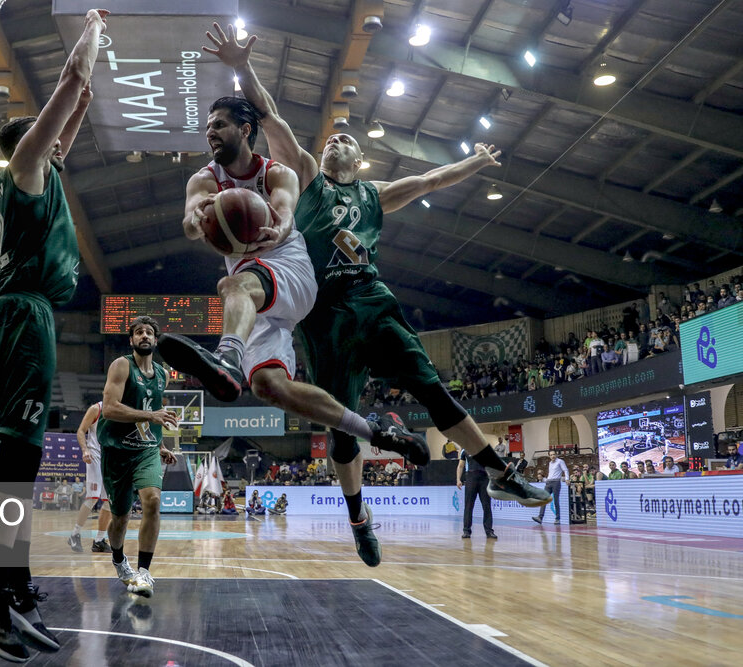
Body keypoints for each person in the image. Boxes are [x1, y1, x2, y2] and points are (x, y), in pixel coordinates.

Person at [203, 22, 549, 566]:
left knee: (433, 390)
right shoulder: (308, 175)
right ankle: (359, 517)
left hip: (372, 300)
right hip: (325, 314)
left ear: (360, 160)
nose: (336, 138)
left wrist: (477, 163)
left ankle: (503, 472)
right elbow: (270, 116)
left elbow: (433, 180)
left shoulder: (377, 194)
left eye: (347, 139)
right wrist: (242, 67)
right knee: (341, 431)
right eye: (332, 136)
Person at [159, 96, 425, 479]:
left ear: (245, 130)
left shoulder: (277, 172)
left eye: (218, 125)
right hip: (255, 295)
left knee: (232, 284)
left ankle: (227, 357)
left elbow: (285, 214)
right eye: (208, 127)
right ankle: (379, 432)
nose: (210, 133)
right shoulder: (203, 179)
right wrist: (197, 221)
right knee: (271, 387)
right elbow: (188, 222)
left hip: (289, 269)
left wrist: (275, 228)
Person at [0, 9, 107, 663]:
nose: (57, 150)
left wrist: (93, 61)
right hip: (20, 315)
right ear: (30, 149)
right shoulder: (22, 169)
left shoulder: (45, 176)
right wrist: (93, 26)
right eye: (49, 146)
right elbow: (70, 86)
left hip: (36, 315)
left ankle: (11, 588)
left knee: (28, 458)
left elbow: (82, 98)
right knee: (18, 459)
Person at [99, 316, 179, 599]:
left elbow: (150, 415)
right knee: (120, 516)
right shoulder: (121, 365)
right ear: (131, 339)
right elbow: (109, 409)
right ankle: (120, 559)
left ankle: (144, 572)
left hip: (145, 449)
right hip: (116, 450)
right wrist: (151, 416)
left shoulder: (162, 374)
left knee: (153, 501)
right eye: (138, 332)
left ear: (155, 340)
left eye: (149, 332)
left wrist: (159, 446)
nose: (144, 336)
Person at [68, 400, 113, 553]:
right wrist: (84, 450)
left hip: (111, 459)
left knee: (109, 502)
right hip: (94, 455)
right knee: (93, 497)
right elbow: (81, 431)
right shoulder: (96, 409)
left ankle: (99, 540)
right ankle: (75, 534)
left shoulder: (121, 409)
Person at [457, 446, 496, 539]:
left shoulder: (485, 449)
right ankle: (466, 531)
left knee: (486, 505)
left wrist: (494, 479)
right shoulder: (464, 451)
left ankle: (489, 531)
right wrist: (458, 479)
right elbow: (460, 466)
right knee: (468, 506)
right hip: (471, 478)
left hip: (484, 478)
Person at [532, 451, 568, 524]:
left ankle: (557, 519)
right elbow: (551, 473)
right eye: (551, 455)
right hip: (549, 482)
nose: (553, 456)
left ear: (556, 454)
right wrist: (547, 480)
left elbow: (565, 470)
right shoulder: (550, 463)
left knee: (556, 500)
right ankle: (540, 517)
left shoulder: (560, 461)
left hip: (556, 482)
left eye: (554, 454)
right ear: (549, 456)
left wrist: (567, 479)